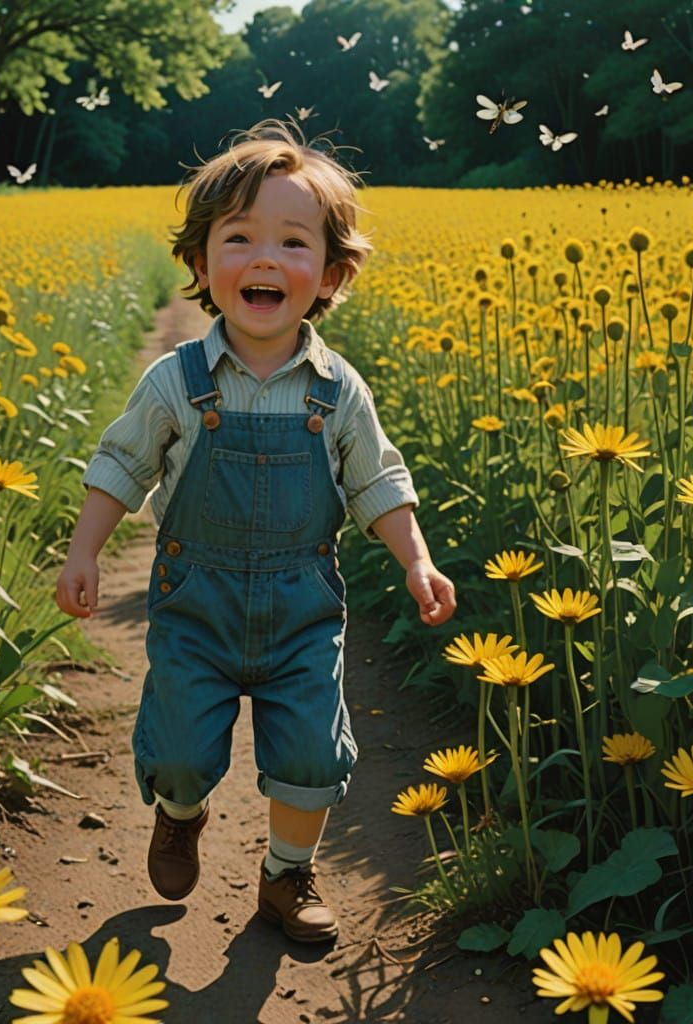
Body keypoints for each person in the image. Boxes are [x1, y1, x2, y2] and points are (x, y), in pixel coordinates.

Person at [55, 119, 456, 944]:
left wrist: (415, 561)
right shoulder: (178, 379)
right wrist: (84, 548)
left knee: (311, 754)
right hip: (195, 604)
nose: (265, 258)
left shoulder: (338, 390)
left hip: (300, 607)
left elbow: (377, 480)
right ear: (201, 265)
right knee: (176, 750)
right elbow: (121, 464)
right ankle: (180, 812)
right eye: (238, 238)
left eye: (292, 242)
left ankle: (285, 875)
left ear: (333, 273)